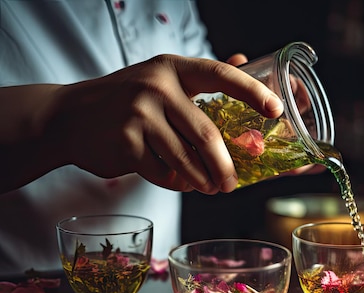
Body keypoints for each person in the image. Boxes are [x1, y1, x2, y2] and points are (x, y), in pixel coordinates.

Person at [0, 0, 285, 276]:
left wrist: (262, 129)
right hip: (20, 281)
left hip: (155, 284)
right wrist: (60, 115)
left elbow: (203, 101)